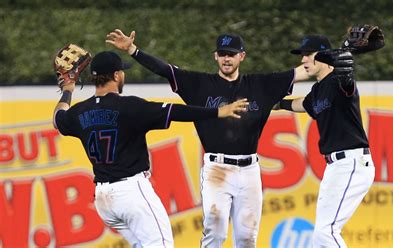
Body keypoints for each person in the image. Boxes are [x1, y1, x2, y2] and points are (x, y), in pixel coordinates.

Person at [105, 29, 309, 247]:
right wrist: (133, 50)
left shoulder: (260, 85)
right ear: (215, 56)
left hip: (250, 171)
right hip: (217, 170)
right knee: (215, 234)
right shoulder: (199, 85)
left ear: (242, 56)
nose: (226, 58)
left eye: (231, 53)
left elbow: (302, 71)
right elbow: (165, 70)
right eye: (222, 54)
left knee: (247, 238)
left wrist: (331, 58)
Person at [52, 50, 249, 248]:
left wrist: (68, 89)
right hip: (131, 193)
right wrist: (217, 111)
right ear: (116, 75)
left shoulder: (79, 112)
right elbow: (176, 111)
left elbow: (57, 118)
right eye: (122, 72)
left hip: (104, 201)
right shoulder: (129, 106)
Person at [274, 34, 375, 248]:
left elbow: (347, 82)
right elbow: (303, 104)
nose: (303, 60)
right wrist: (277, 103)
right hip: (336, 166)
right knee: (320, 236)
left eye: (308, 55)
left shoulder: (339, 81)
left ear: (324, 57)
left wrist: (345, 62)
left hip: (352, 163)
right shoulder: (318, 90)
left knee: (325, 233)